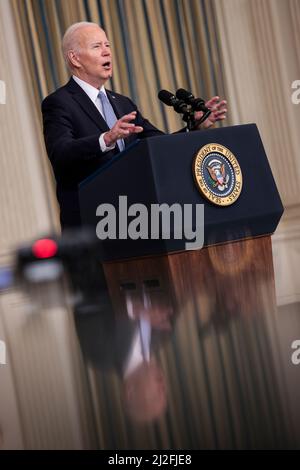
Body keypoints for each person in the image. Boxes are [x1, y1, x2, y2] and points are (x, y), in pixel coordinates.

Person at [42, 22, 227, 229]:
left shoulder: (122, 103)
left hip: (133, 221)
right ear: (74, 58)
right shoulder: (59, 103)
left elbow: (157, 143)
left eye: (108, 45)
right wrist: (107, 138)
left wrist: (196, 126)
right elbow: (61, 152)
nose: (107, 52)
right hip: (90, 224)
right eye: (97, 46)